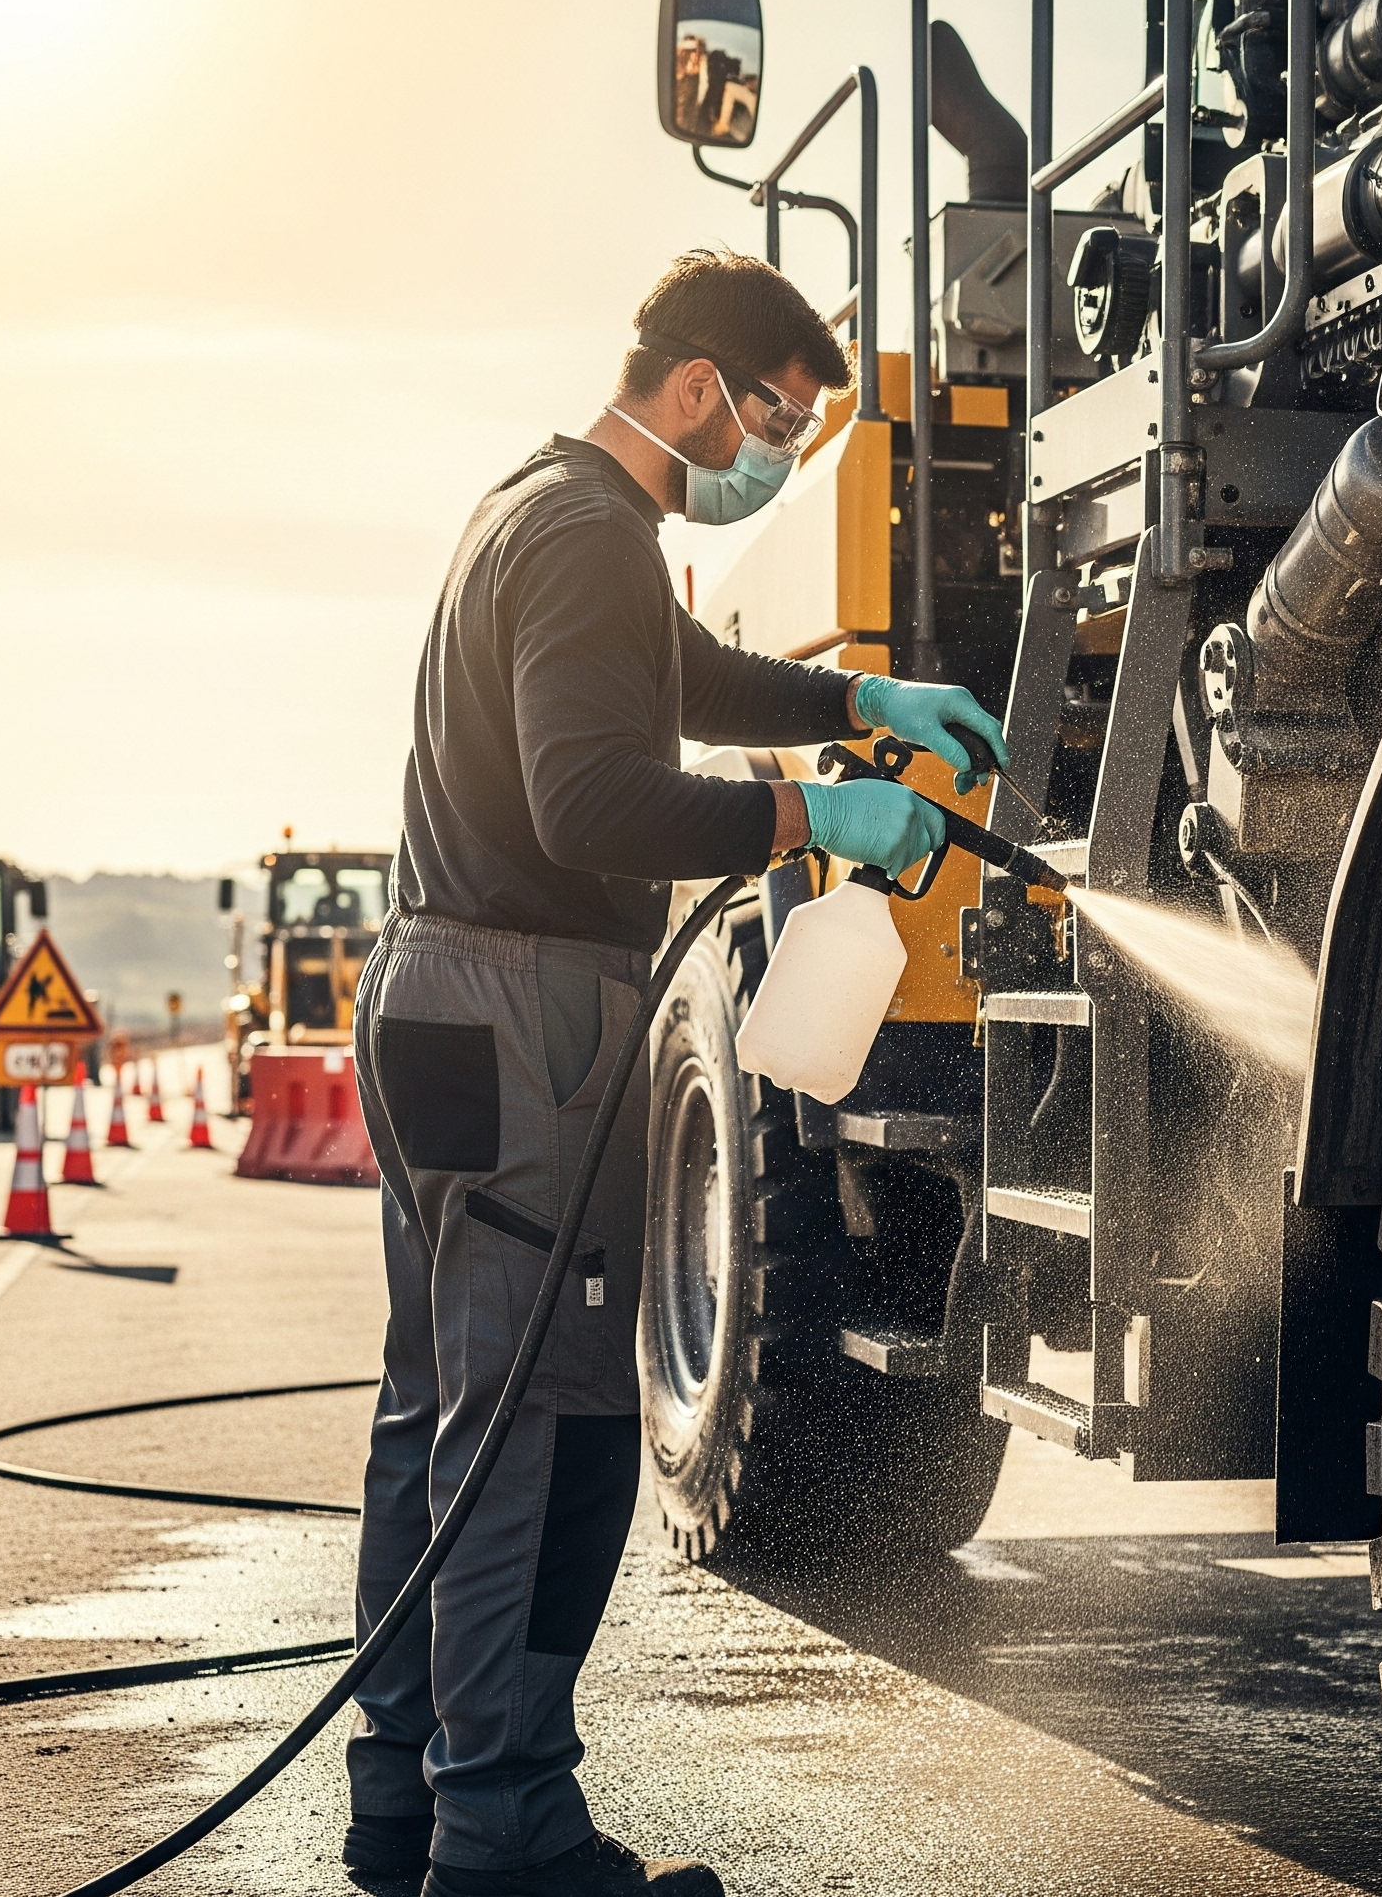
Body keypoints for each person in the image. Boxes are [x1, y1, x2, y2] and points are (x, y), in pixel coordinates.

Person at [343, 248, 1008, 1897]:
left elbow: (682, 686)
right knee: (531, 1433)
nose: (776, 454)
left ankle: (401, 1796)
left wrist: (854, 699)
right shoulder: (587, 539)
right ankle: (505, 1829)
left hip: (444, 989)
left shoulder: (547, 510)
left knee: (437, 1411)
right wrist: (813, 814)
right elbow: (590, 803)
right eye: (780, 417)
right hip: (521, 1011)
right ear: (702, 387)